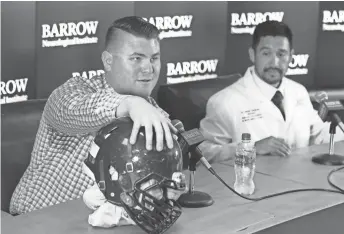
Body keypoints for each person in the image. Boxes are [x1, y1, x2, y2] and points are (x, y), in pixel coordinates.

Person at [10, 16, 177, 215]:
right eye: (136, 58)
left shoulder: (152, 110)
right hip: (34, 219)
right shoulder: (74, 91)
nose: (149, 68)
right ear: (108, 61)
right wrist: (128, 104)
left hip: (104, 221)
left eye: (154, 58)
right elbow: (73, 111)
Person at [199, 20, 344, 163]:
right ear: (252, 54)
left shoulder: (298, 91)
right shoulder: (224, 102)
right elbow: (203, 153)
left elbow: (319, 134)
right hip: (253, 183)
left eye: (281, 54)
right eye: (266, 53)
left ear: (291, 56)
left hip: (301, 180)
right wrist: (251, 148)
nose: (274, 62)